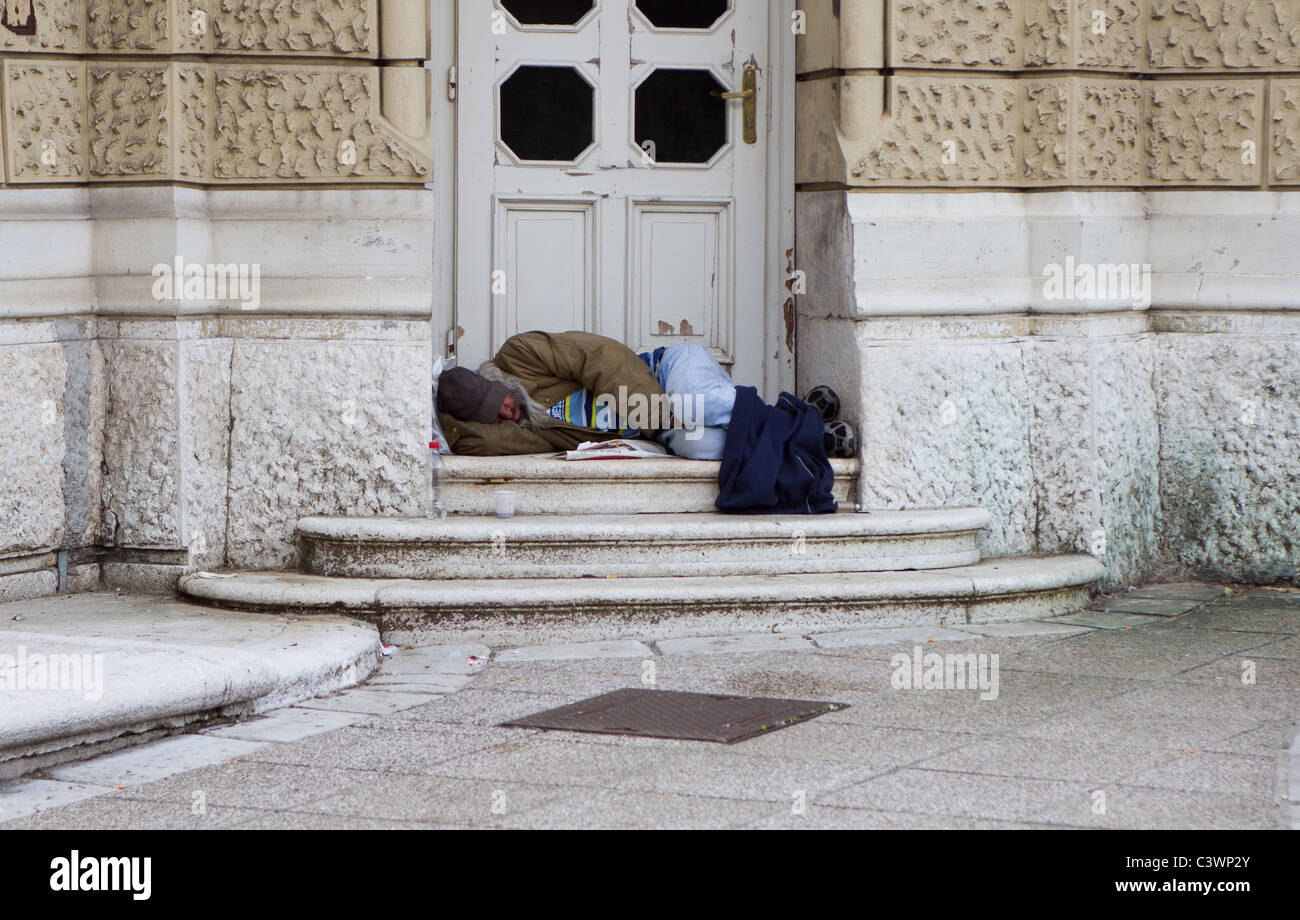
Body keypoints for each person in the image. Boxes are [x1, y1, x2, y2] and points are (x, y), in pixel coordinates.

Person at [437, 331, 735, 458]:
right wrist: (447, 420)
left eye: (498, 401)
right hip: (660, 432)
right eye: (493, 416)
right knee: (706, 446)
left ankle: (762, 417)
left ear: (492, 379)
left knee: (701, 404)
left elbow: (599, 357)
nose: (506, 413)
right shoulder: (524, 429)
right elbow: (475, 441)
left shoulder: (519, 355)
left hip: (668, 372)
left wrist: (657, 415)